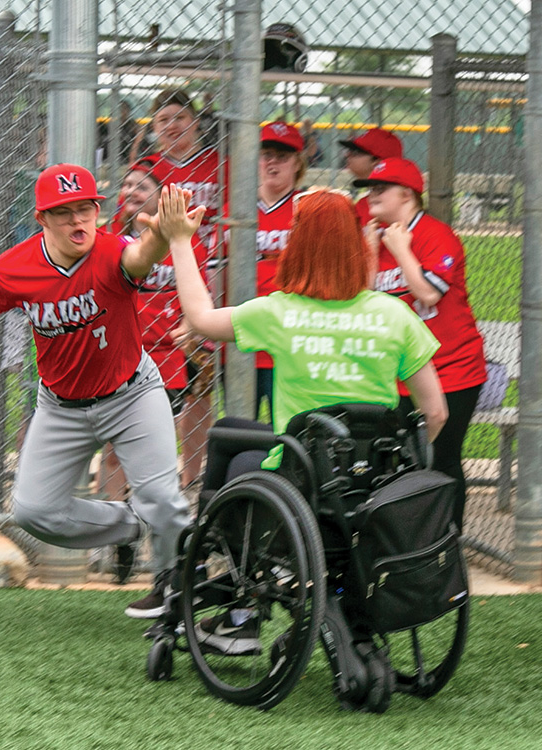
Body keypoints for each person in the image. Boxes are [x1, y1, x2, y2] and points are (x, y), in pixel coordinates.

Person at [163, 185, 448, 654]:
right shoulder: (394, 315)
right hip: (370, 482)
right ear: (357, 245)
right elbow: (434, 412)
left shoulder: (279, 312)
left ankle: (238, 601)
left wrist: (178, 238)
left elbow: (199, 315)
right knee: (239, 435)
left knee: (233, 451)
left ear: (298, 246)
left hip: (302, 479)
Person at [0, 164, 190, 619]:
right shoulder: (16, 267)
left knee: (168, 503)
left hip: (132, 393)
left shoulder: (112, 251)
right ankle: (132, 525)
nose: (78, 221)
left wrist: (164, 235)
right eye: (63, 212)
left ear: (98, 210)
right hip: (61, 407)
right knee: (36, 513)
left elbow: (140, 256)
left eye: (85, 209)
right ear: (42, 219)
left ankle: (174, 586)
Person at [360, 157, 487, 531]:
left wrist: (400, 249)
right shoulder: (376, 237)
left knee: (441, 458)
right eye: (370, 188)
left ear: (407, 193)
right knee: (397, 461)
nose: (371, 195)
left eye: (380, 189)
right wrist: (371, 250)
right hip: (399, 372)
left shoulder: (435, 234)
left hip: (453, 369)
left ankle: (449, 543)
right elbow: (366, 302)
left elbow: (429, 293)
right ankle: (411, 545)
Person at [98, 160, 209, 582]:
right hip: (117, 356)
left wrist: (188, 323)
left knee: (157, 456)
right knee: (112, 450)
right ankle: (122, 533)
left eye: (142, 185)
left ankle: (163, 542)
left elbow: (194, 289)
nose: (132, 191)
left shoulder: (180, 239)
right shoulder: (107, 238)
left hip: (163, 360)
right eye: (126, 184)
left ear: (160, 195)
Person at [146, 88, 223, 489]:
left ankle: (192, 474)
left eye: (179, 117)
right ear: (153, 129)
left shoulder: (218, 164)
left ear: (195, 122)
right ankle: (155, 471)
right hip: (161, 286)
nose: (172, 126)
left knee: (200, 383)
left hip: (209, 280)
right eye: (162, 120)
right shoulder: (148, 166)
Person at [252, 121, 307, 421]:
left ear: (298, 162)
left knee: (286, 427)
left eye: (283, 156)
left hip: (290, 339)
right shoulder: (237, 208)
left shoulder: (307, 208)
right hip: (240, 337)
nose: (273, 162)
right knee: (238, 429)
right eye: (267, 154)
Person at [339, 127, 403, 225]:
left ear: (377, 163)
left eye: (355, 153)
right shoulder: (363, 205)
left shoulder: (396, 207)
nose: (347, 156)